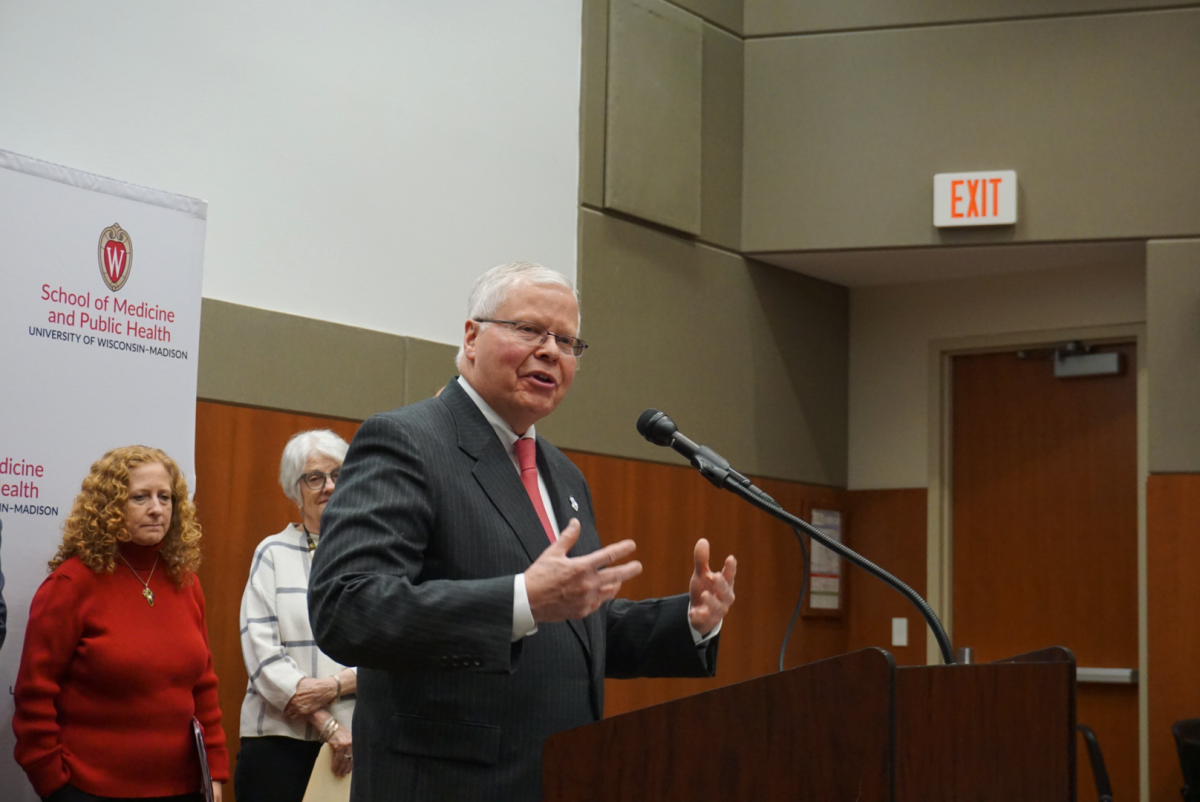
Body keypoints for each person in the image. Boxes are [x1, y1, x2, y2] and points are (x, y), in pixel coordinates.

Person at [309, 261, 738, 801]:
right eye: (530, 330)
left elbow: (572, 625)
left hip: (558, 776)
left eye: (566, 341)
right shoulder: (405, 442)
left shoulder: (562, 473)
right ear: (471, 337)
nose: (551, 351)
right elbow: (347, 608)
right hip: (448, 786)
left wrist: (688, 622)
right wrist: (519, 601)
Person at [12, 446, 228, 802]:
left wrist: (215, 773)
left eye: (165, 497)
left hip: (185, 788)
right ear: (109, 507)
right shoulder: (71, 585)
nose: (156, 508)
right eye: (140, 497)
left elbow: (203, 687)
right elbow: (34, 697)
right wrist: (54, 783)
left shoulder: (184, 582)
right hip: (90, 790)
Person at [235, 430, 357, 802]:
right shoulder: (272, 553)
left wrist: (332, 688)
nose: (329, 487)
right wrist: (327, 723)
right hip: (278, 746)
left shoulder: (374, 553)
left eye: (338, 474)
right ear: (295, 489)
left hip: (356, 745)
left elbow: (393, 649)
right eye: (314, 478)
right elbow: (263, 656)